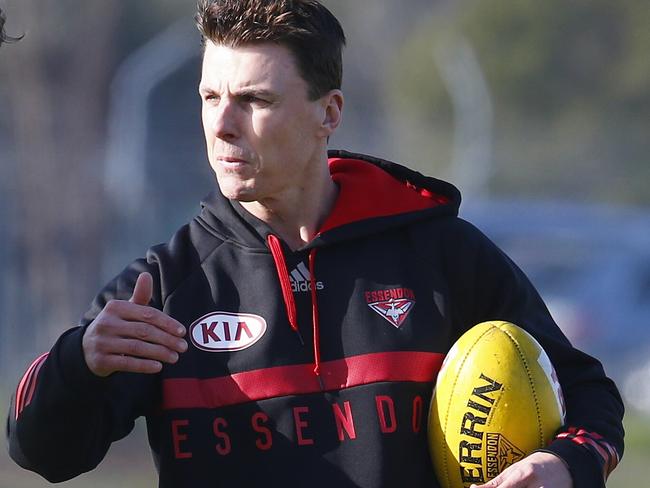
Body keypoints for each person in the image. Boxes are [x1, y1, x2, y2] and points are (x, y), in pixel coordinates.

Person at [6, 1, 623, 487]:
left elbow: (588, 396)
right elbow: (42, 454)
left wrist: (568, 465)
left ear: (328, 113)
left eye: (255, 100)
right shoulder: (165, 289)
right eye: (210, 97)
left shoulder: (443, 257)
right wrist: (78, 363)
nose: (222, 124)